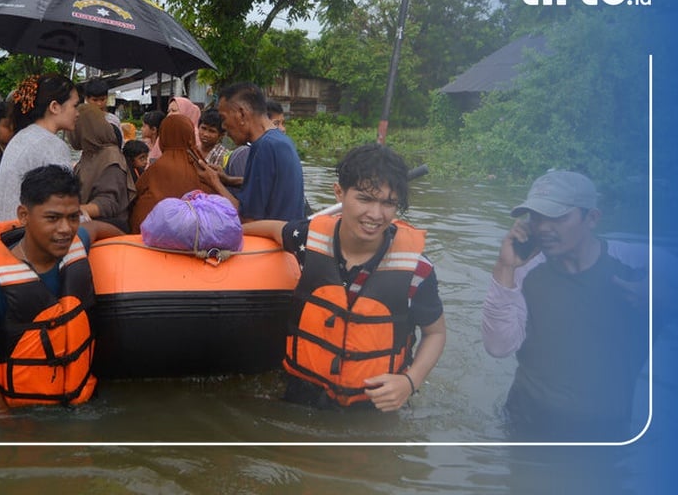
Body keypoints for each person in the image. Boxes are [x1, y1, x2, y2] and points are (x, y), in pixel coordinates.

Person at [243, 143, 446, 411]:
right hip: (303, 394)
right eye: (364, 198)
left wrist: (410, 382)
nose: (375, 214)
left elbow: (436, 333)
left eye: (388, 203)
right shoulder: (309, 239)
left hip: (374, 406)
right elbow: (272, 229)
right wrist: (231, 236)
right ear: (339, 193)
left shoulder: (416, 270)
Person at [482, 170, 648, 441]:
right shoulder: (524, 271)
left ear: (592, 218)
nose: (544, 228)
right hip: (524, 423)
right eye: (536, 218)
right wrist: (504, 267)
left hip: (605, 434)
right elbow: (498, 347)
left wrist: (669, 302)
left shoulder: (638, 267)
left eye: (557, 218)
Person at [0, 165, 121, 414]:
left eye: (73, 217)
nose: (65, 229)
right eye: (52, 218)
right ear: (24, 215)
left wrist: (132, 239)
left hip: (70, 395)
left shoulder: (75, 247)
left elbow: (96, 229)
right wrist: (5, 426)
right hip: (7, 406)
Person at [196, 82, 306, 222]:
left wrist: (214, 182)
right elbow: (270, 187)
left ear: (241, 114)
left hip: (269, 242)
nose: (223, 126)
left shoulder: (263, 147)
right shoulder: (280, 141)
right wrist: (227, 180)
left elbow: (248, 219)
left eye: (224, 118)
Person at [0, 73, 80, 223]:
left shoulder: (22, 136)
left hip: (4, 232)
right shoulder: (53, 145)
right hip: (24, 236)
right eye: (75, 106)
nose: (78, 113)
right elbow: (64, 205)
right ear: (54, 107)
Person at [128, 114, 217, 234]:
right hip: (195, 237)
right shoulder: (200, 166)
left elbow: (134, 194)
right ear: (190, 135)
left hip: (151, 235)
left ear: (163, 137)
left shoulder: (155, 168)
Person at [72, 106, 136, 232]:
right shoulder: (89, 154)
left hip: (106, 229)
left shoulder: (110, 157)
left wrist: (73, 211)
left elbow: (108, 203)